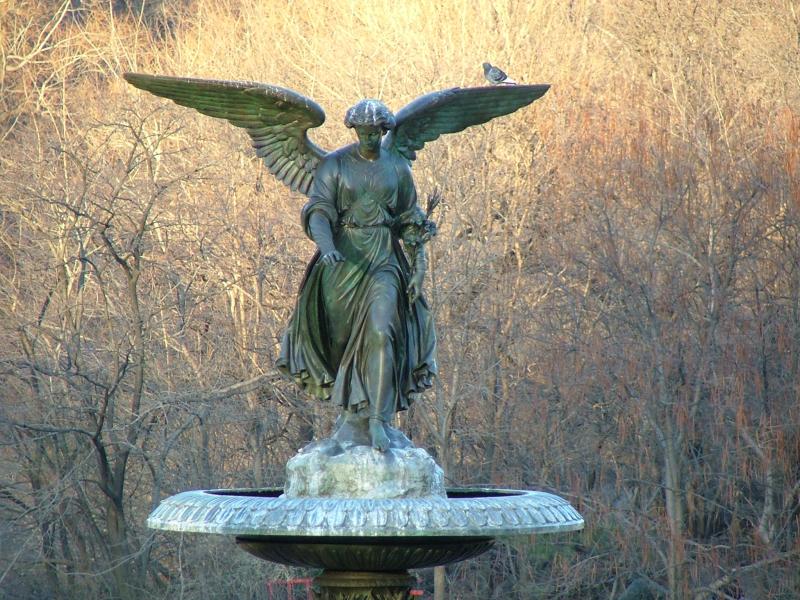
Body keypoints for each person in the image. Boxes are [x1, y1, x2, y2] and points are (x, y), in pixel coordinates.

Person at [277, 99, 437, 451]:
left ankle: (378, 421)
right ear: (354, 130)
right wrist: (326, 244)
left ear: (383, 132)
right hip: (342, 259)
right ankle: (352, 418)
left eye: (375, 133)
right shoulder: (335, 165)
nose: (369, 138)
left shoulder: (396, 168)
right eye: (363, 132)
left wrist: (418, 251)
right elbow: (318, 211)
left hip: (383, 259)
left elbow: (408, 219)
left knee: (381, 331)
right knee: (341, 340)